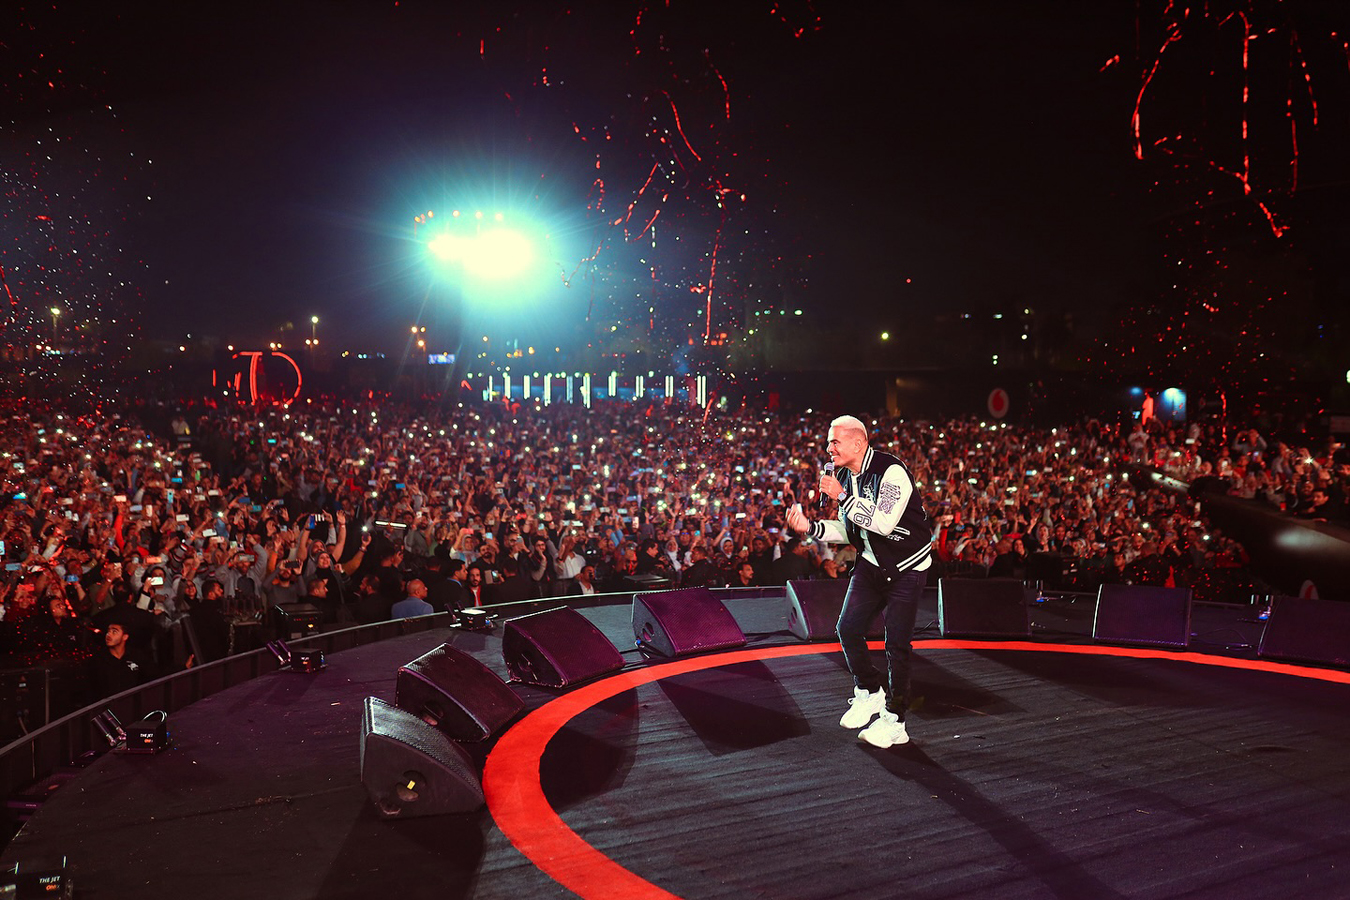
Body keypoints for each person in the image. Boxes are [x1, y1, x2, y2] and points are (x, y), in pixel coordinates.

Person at [787, 414, 932, 749]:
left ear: (858, 442)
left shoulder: (891, 471)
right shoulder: (844, 477)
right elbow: (850, 529)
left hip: (907, 567)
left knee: (896, 645)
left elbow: (882, 523)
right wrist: (810, 528)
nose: (829, 448)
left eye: (835, 442)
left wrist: (842, 497)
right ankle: (869, 690)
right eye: (828, 443)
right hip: (870, 562)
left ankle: (896, 721)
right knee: (848, 628)